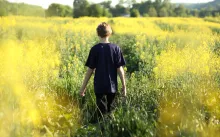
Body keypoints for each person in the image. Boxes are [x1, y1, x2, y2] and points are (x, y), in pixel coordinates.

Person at [79, 22, 126, 119]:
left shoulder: (95, 49)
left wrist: (83, 87)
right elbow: (120, 69)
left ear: (97, 34)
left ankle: (101, 130)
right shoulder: (116, 48)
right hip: (112, 86)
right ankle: (110, 130)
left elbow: (90, 70)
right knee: (111, 113)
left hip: (99, 86)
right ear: (110, 33)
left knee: (101, 113)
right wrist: (124, 86)